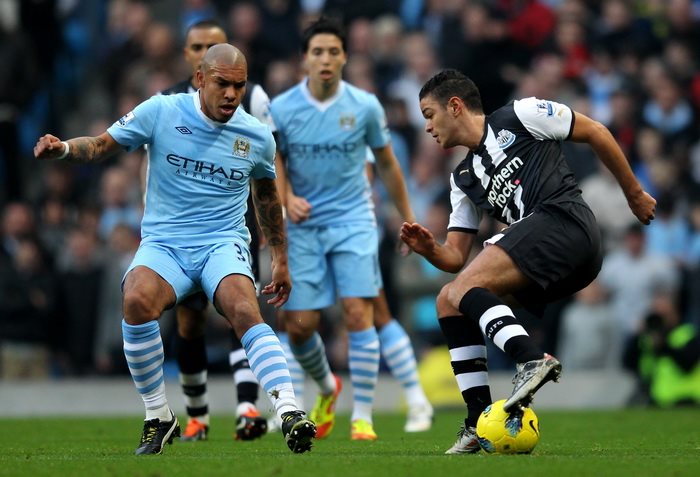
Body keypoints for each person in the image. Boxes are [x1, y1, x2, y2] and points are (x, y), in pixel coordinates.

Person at [33, 44, 316, 455]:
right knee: (136, 300)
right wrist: (62, 149)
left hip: (222, 243)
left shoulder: (256, 135)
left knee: (244, 309)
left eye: (239, 86)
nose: (231, 94)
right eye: (222, 83)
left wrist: (281, 261)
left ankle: (288, 409)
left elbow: (268, 200)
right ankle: (158, 416)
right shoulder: (161, 111)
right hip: (165, 243)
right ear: (200, 79)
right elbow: (99, 146)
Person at [399, 69, 656, 454]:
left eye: (429, 115)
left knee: (466, 287)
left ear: (454, 106)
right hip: (555, 260)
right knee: (448, 301)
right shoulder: (463, 180)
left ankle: (530, 359)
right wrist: (429, 248)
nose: (428, 127)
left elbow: (596, 132)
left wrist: (634, 193)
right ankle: (477, 421)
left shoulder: (520, 115)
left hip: (566, 223)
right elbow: (454, 257)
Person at [270, 17, 416, 441]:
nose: (325, 59)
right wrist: (285, 198)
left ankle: (362, 416)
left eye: (333, 52)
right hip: (304, 227)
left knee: (358, 312)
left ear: (345, 57)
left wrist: (407, 217)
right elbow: (273, 161)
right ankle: (326, 385)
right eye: (317, 52)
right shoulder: (281, 108)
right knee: (299, 325)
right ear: (305, 59)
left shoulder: (365, 105)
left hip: (354, 221)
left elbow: (386, 162)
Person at [159, 19, 273, 442]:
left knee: (239, 309)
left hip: (236, 223)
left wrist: (278, 211)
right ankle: (198, 415)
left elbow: (271, 158)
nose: (205, 50)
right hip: (180, 229)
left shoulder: (253, 97)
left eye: (214, 44)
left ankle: (247, 408)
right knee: (189, 321)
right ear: (191, 60)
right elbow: (150, 163)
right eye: (197, 46)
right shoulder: (167, 103)